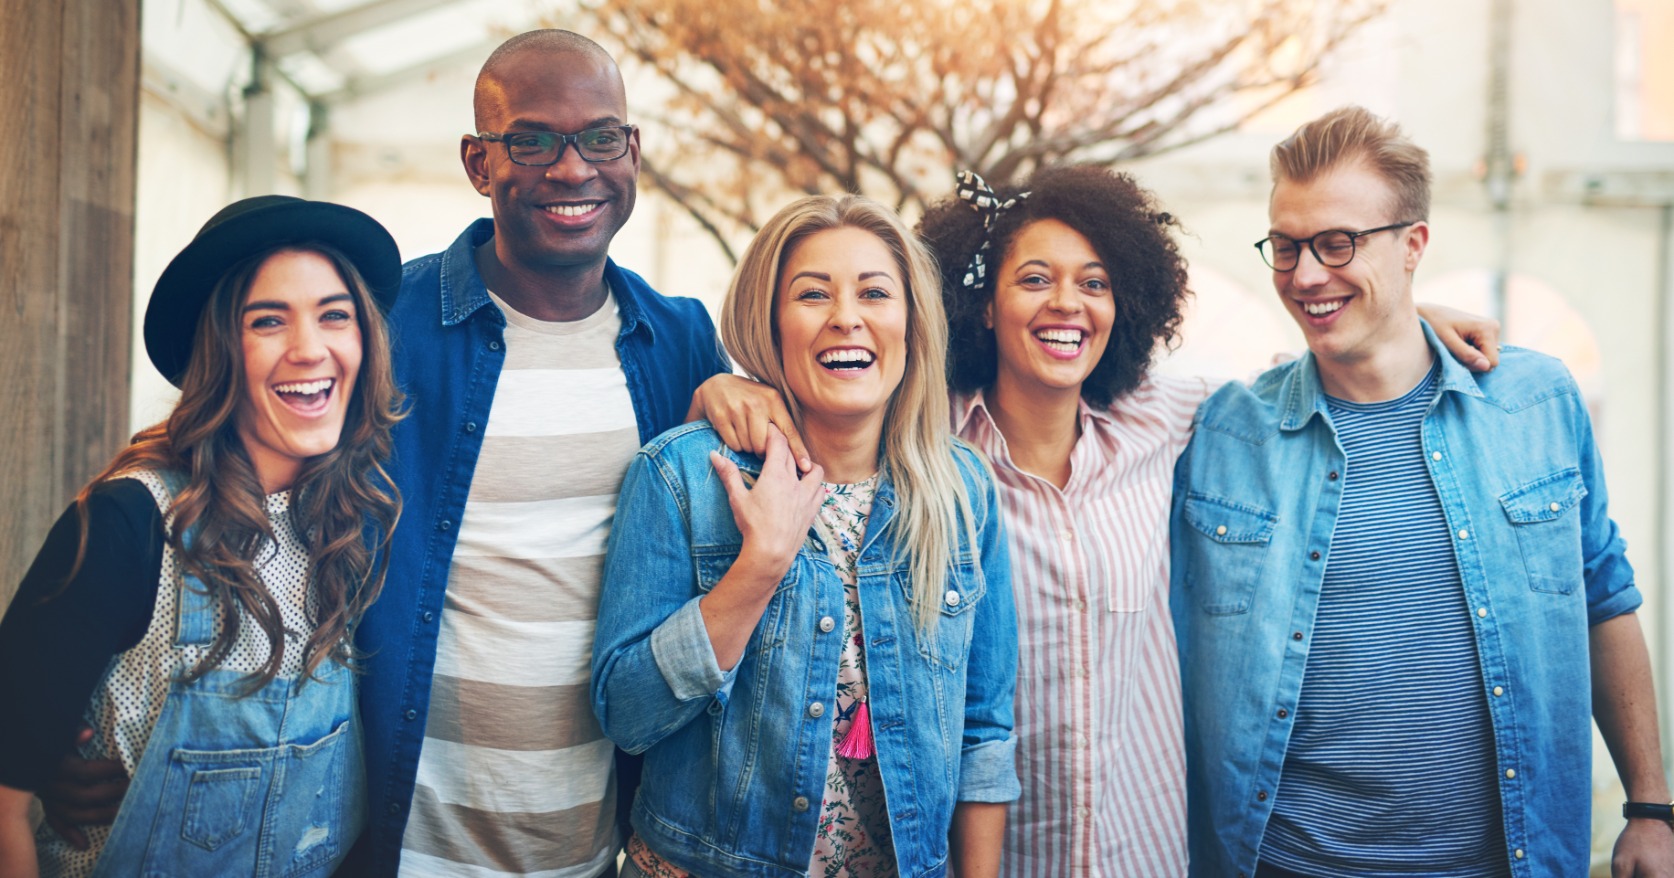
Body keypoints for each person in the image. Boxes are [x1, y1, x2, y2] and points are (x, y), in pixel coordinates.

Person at [690, 164, 1500, 876]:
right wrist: (730, 388)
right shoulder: (925, 446)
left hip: (1143, 848)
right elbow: (834, 386)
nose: (1067, 304)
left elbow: (1302, 379)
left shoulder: (1170, 421)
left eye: (1096, 282)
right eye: (1035, 278)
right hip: (992, 853)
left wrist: (1407, 311)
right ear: (980, 304)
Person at [1170, 105, 1674, 877]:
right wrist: (1384, 310)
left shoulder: (1537, 403)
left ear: (1414, 245)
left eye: (1337, 243)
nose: (1305, 275)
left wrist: (1650, 805)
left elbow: (1603, 595)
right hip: (1286, 864)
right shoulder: (1224, 433)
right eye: (1286, 246)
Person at [347, 29, 729, 877]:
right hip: (404, 841)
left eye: (600, 137)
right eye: (532, 139)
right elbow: (246, 479)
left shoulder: (680, 342)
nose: (571, 168)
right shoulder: (384, 326)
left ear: (632, 151)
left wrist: (753, 394)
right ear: (479, 163)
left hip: (603, 844)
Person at [592, 194, 1019, 877]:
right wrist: (757, 567)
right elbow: (626, 714)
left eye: (875, 293)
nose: (846, 317)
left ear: (912, 324)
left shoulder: (963, 492)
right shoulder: (682, 476)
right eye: (813, 294)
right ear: (770, 322)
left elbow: (984, 734)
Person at [0, 195, 403, 877]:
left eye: (335, 315)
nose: (310, 348)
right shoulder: (128, 523)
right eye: (268, 321)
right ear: (218, 350)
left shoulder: (357, 525)